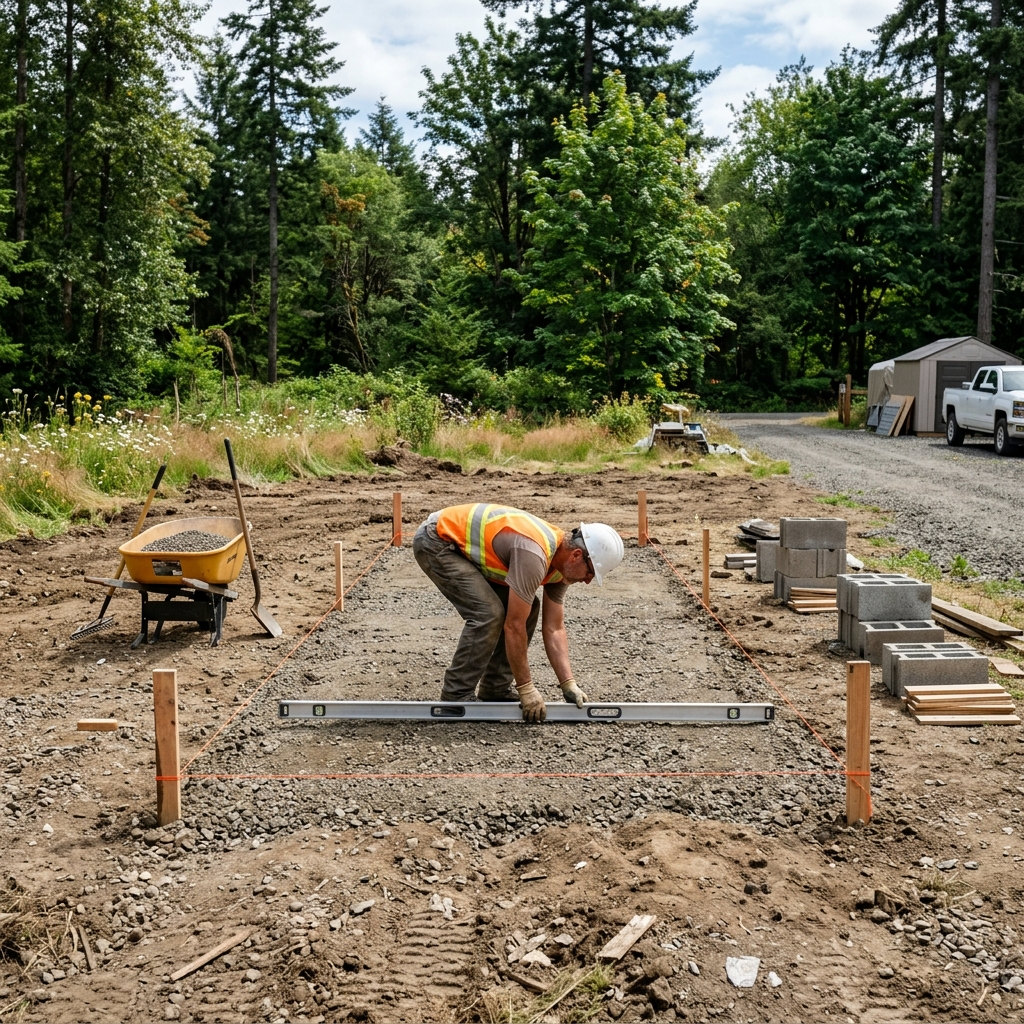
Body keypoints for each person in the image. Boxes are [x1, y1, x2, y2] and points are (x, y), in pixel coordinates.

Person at [412, 503, 624, 722]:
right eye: (590, 572)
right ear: (576, 555)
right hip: (437, 541)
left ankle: (494, 688)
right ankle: (454, 699)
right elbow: (513, 626)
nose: (588, 581)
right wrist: (526, 688)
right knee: (489, 614)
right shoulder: (534, 553)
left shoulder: (561, 567)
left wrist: (568, 683)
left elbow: (554, 627)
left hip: (460, 546)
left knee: (529, 608)